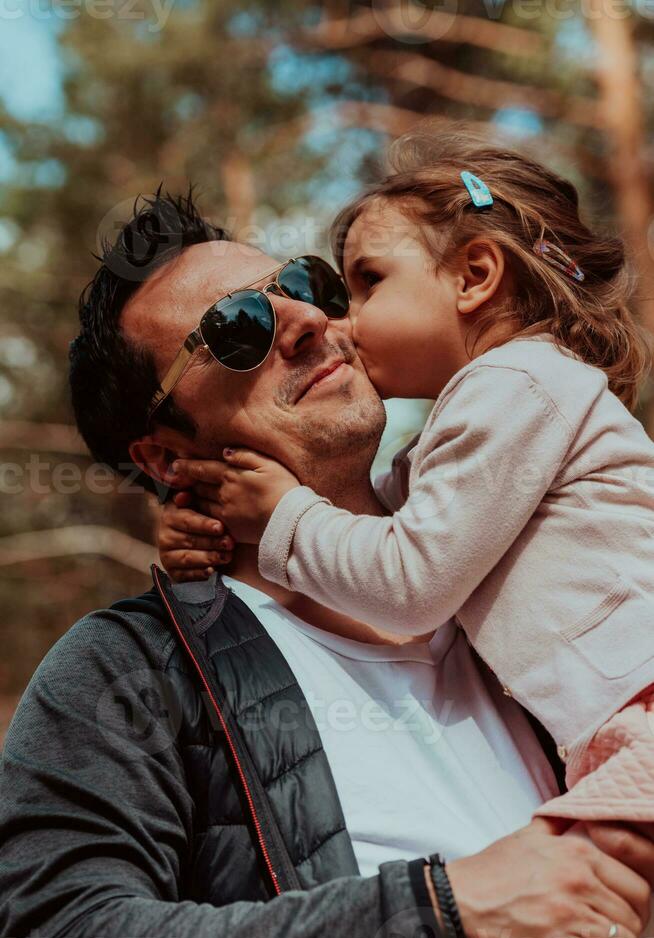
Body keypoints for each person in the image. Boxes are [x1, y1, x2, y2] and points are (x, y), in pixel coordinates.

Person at [1, 187, 652, 938]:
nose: (308, 322)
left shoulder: (525, 568)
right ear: (166, 459)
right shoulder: (127, 671)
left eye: (306, 286)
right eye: (236, 328)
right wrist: (440, 917)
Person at [160, 129, 654, 838]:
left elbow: (409, 584)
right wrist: (209, 526)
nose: (343, 322)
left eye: (367, 282)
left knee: (584, 909)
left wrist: (279, 521)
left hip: (642, 707)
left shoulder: (514, 383)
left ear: (473, 276)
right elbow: (376, 522)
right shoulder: (482, 415)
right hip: (614, 721)